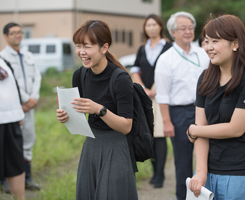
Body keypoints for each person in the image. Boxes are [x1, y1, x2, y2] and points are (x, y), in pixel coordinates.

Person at [56, 20, 138, 200]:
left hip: (116, 145)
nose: (81, 52)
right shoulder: (80, 74)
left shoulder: (120, 78)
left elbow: (126, 126)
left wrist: (99, 110)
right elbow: (80, 114)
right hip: (91, 144)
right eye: (78, 46)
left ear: (104, 47)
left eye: (87, 46)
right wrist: (67, 116)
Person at [188, 15, 245, 199]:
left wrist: (195, 129)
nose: (209, 47)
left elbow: (235, 128)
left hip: (241, 174)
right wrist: (200, 171)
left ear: (235, 44)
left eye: (215, 41)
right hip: (209, 171)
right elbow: (201, 127)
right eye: (206, 41)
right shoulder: (205, 78)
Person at [154, 11, 210, 200]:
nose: (188, 31)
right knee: (183, 162)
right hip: (179, 113)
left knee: (208, 159)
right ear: (173, 32)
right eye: (183, 28)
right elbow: (162, 95)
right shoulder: (165, 59)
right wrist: (167, 122)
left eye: (191, 28)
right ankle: (183, 197)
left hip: (206, 110)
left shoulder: (203, 54)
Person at [130, 14, 172, 188]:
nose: (151, 28)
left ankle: (161, 174)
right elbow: (135, 70)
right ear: (145, 28)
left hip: (162, 96)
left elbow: (171, 71)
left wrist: (157, 89)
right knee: (149, 136)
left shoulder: (169, 47)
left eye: (154, 24)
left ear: (160, 27)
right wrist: (143, 89)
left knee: (160, 136)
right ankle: (154, 173)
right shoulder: (142, 48)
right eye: (148, 25)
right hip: (145, 97)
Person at [0, 22, 41, 191]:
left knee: (29, 139)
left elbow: (36, 77)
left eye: (20, 32)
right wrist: (25, 100)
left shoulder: (29, 56)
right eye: (13, 33)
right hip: (13, 109)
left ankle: (27, 177)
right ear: (5, 36)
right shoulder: (3, 58)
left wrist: (34, 98)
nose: (18, 35)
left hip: (29, 106)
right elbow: (12, 84)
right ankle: (5, 180)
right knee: (9, 144)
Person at [0, 56, 25, 200]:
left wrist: (18, 112)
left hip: (11, 119)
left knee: (15, 163)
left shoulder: (4, 60)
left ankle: (19, 198)